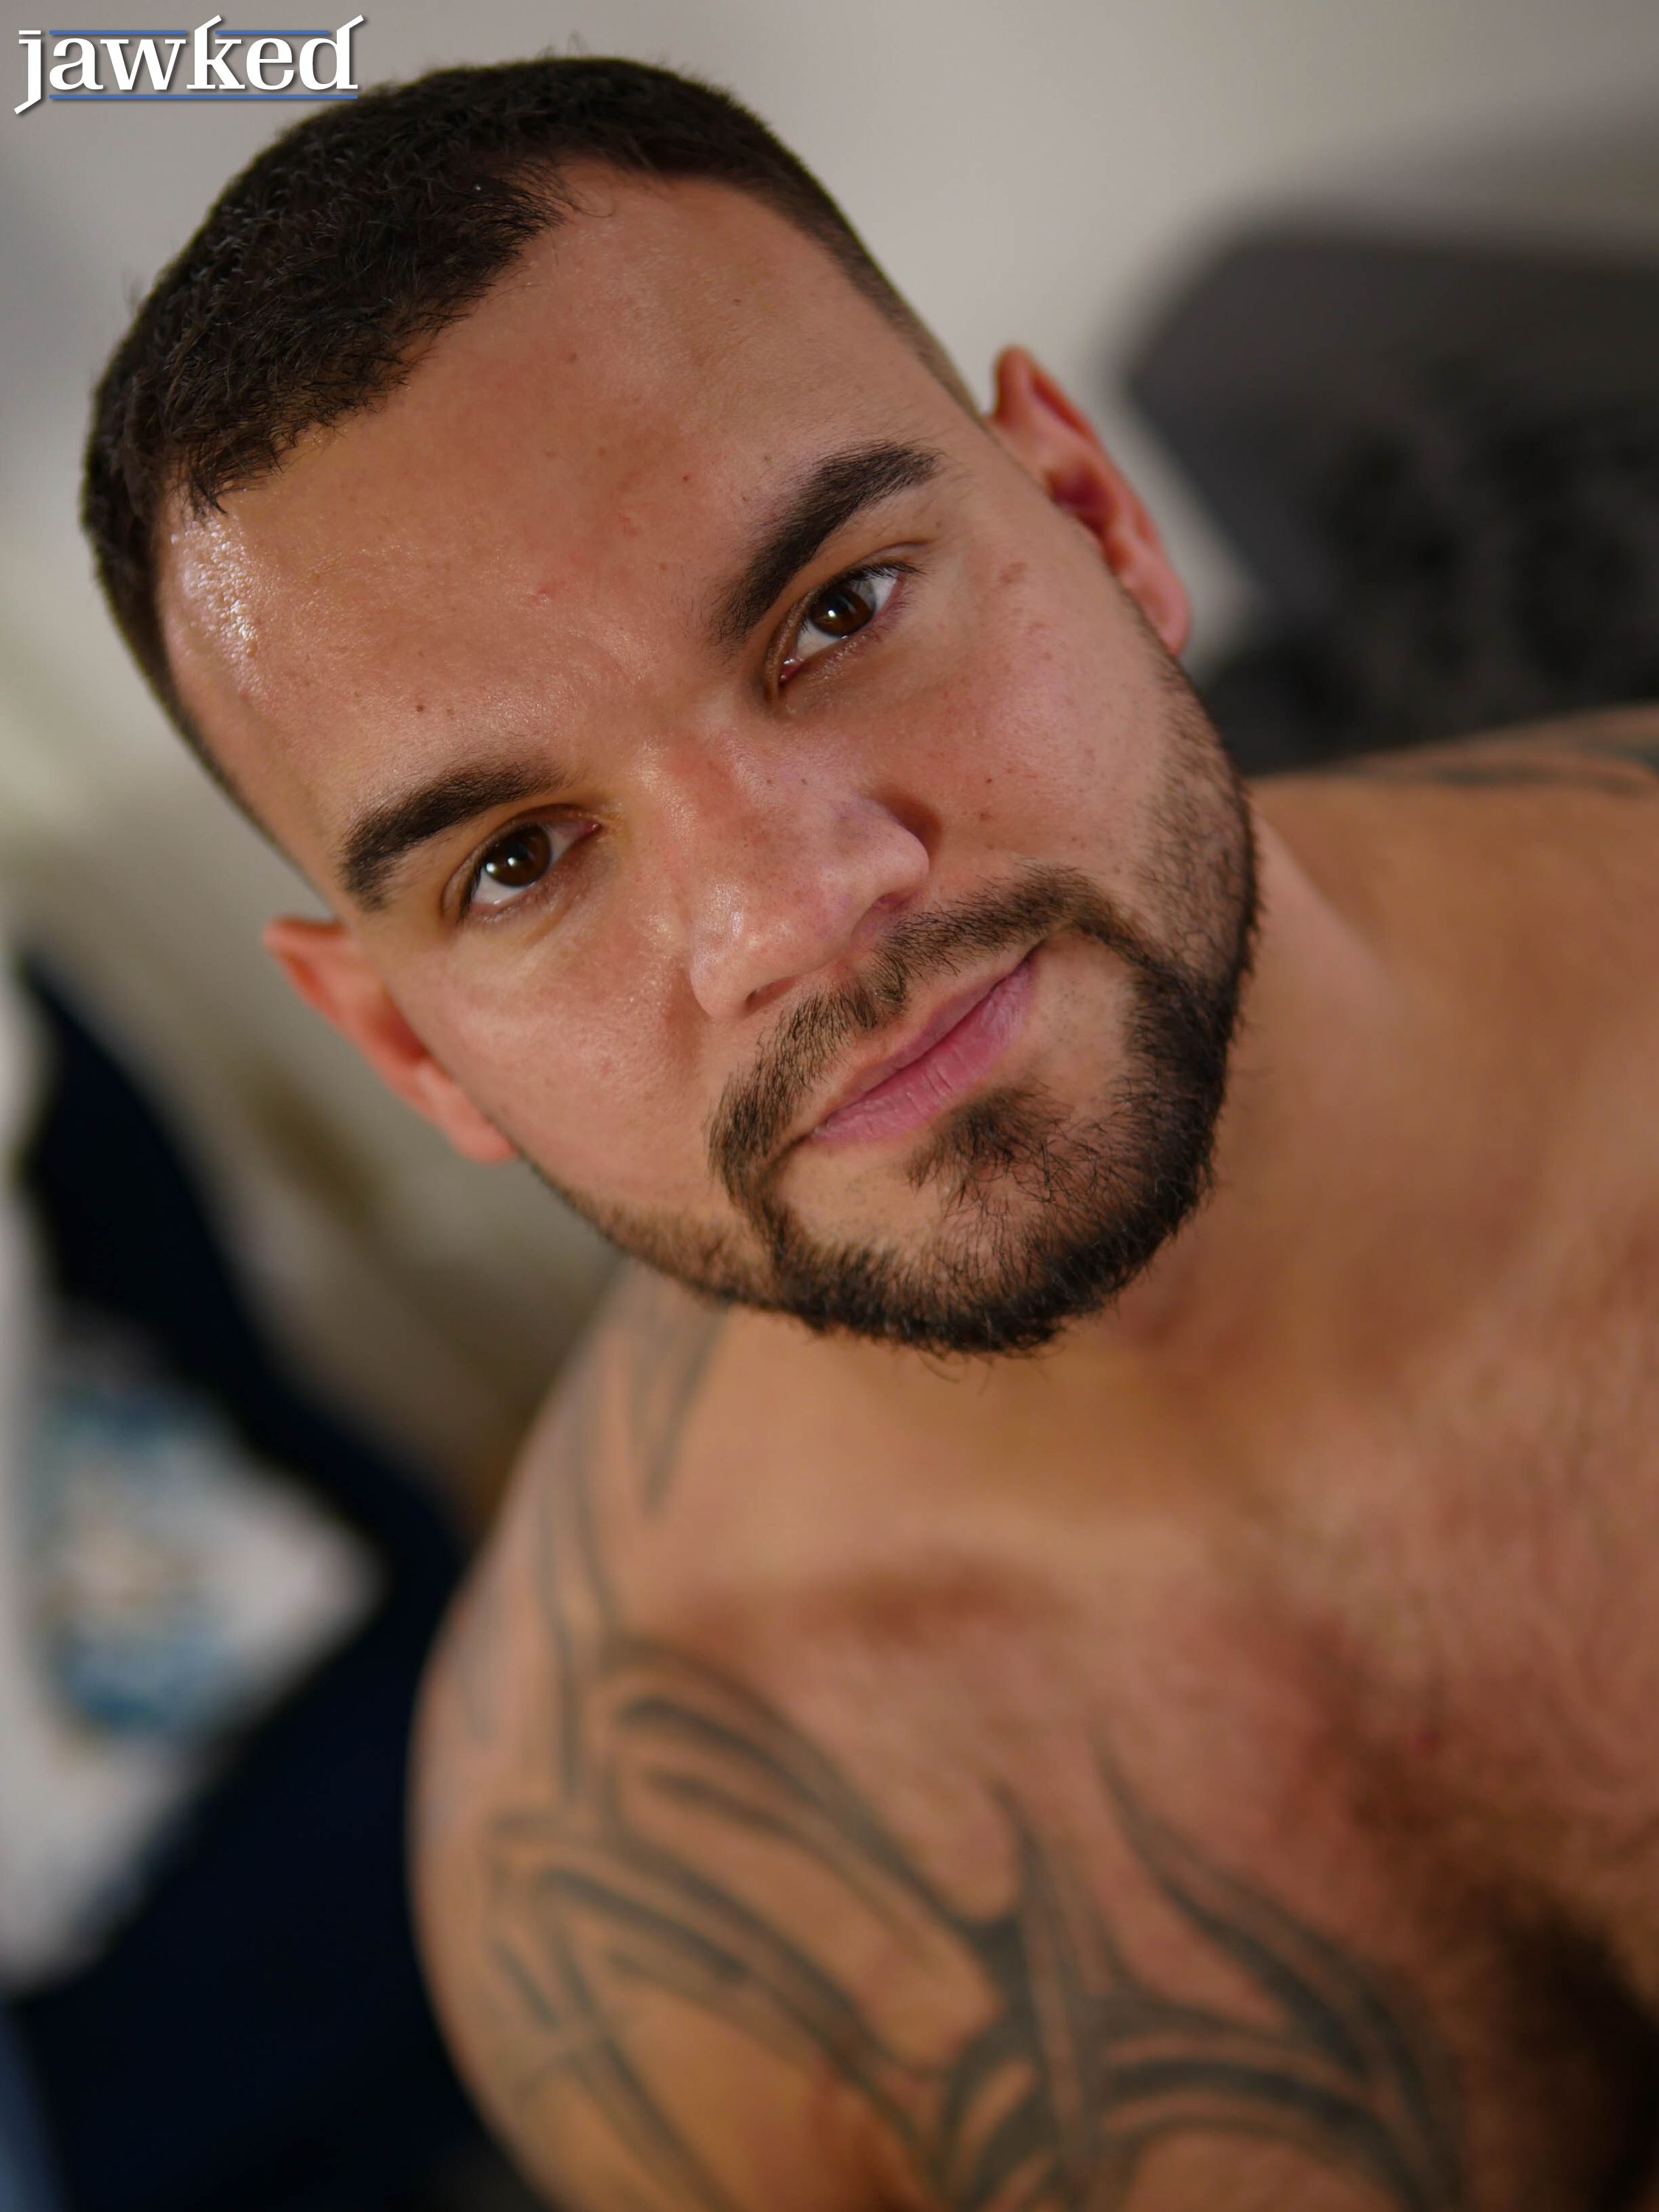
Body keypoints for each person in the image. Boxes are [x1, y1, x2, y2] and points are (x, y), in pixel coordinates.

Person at [80, 55, 1659, 2211]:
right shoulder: (641, 1905)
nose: (791, 909)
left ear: (1092, 517)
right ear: (404, 1047)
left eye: (837, 610)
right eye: (519, 862)